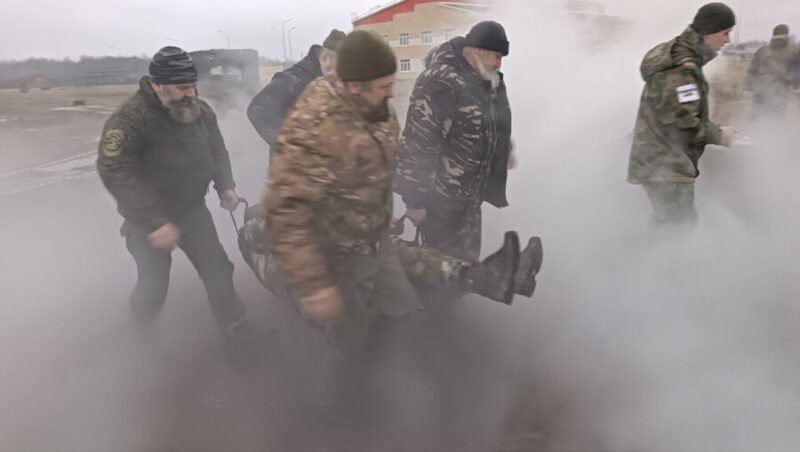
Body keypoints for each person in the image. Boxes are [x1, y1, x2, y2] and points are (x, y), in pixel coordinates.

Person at [96, 46, 251, 346]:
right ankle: (141, 335)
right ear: (158, 85)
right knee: (154, 286)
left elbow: (217, 150)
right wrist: (155, 222)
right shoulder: (129, 120)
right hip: (146, 219)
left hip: (191, 209)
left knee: (218, 269)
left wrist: (225, 185)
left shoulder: (201, 112)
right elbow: (115, 170)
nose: (190, 93)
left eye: (192, 85)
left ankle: (236, 327)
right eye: (182, 88)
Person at [394, 21, 513, 261]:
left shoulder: (484, 81)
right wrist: (415, 202)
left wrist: (502, 152)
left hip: (469, 202)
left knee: (466, 268)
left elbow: (491, 125)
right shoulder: (440, 82)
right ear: (477, 50)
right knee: (440, 271)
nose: (499, 63)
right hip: (440, 206)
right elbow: (419, 143)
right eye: (496, 56)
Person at [627, 3, 737, 224]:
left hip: (659, 163)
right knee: (678, 228)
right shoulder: (682, 70)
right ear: (709, 32)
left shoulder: (678, 55)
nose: (728, 40)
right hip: (666, 166)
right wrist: (720, 135)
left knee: (667, 223)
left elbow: (679, 113)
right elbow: (683, 126)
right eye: (725, 33)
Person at [247, 29, 346, 151]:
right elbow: (258, 109)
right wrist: (287, 144)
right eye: (340, 67)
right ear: (326, 58)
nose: (342, 74)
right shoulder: (293, 80)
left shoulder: (329, 81)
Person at [746, 24, 798, 119]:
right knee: (776, 121)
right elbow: (796, 72)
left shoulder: (762, 51)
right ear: (786, 34)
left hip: (760, 92)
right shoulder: (794, 51)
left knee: (757, 120)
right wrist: (796, 86)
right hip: (780, 94)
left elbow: (752, 71)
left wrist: (748, 88)